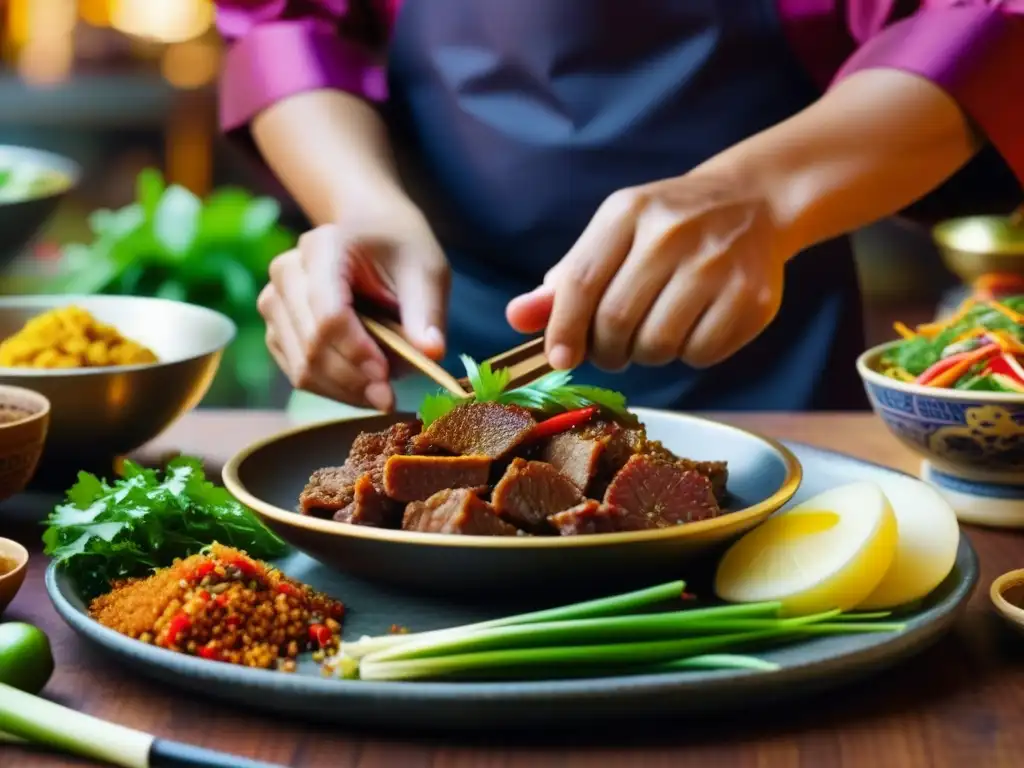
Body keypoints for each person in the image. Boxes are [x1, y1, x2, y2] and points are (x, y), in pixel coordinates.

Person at [214, 0, 1023, 414]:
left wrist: (769, 193)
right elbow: (288, 23)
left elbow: (981, 20)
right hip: (425, 332)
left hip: (772, 370)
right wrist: (358, 205)